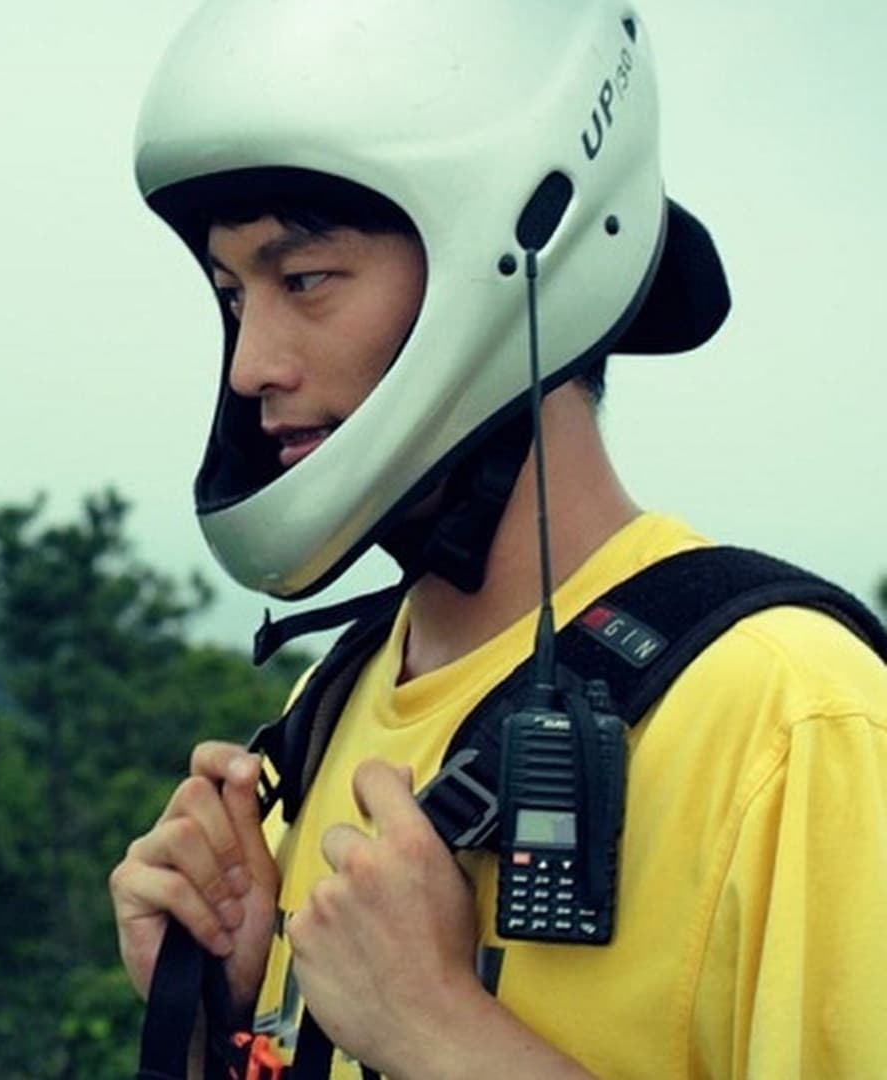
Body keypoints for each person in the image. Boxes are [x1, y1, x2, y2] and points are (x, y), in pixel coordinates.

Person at [105, 3, 887, 1078]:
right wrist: (217, 1017)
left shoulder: (796, 718)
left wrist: (443, 1029)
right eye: (235, 296)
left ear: (513, 256)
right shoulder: (333, 703)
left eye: (305, 279)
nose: (252, 367)